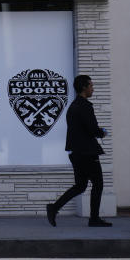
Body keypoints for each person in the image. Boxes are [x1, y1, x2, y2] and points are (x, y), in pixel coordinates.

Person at [46, 74, 111, 227]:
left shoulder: (73, 106)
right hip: (87, 153)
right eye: (91, 86)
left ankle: (54, 207)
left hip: (76, 152)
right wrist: (102, 132)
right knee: (98, 184)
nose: (92, 89)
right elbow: (92, 129)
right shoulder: (85, 106)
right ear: (84, 87)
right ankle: (94, 219)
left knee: (80, 186)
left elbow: (79, 129)